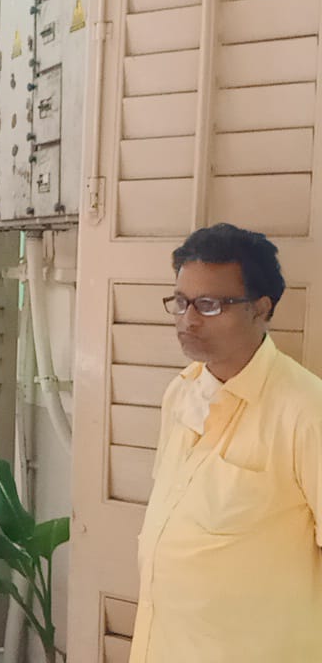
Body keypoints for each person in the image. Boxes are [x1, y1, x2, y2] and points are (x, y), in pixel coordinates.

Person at [130, 224, 322, 662]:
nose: (189, 319)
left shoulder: (306, 412)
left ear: (261, 308)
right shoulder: (180, 393)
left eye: (210, 305)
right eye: (180, 302)